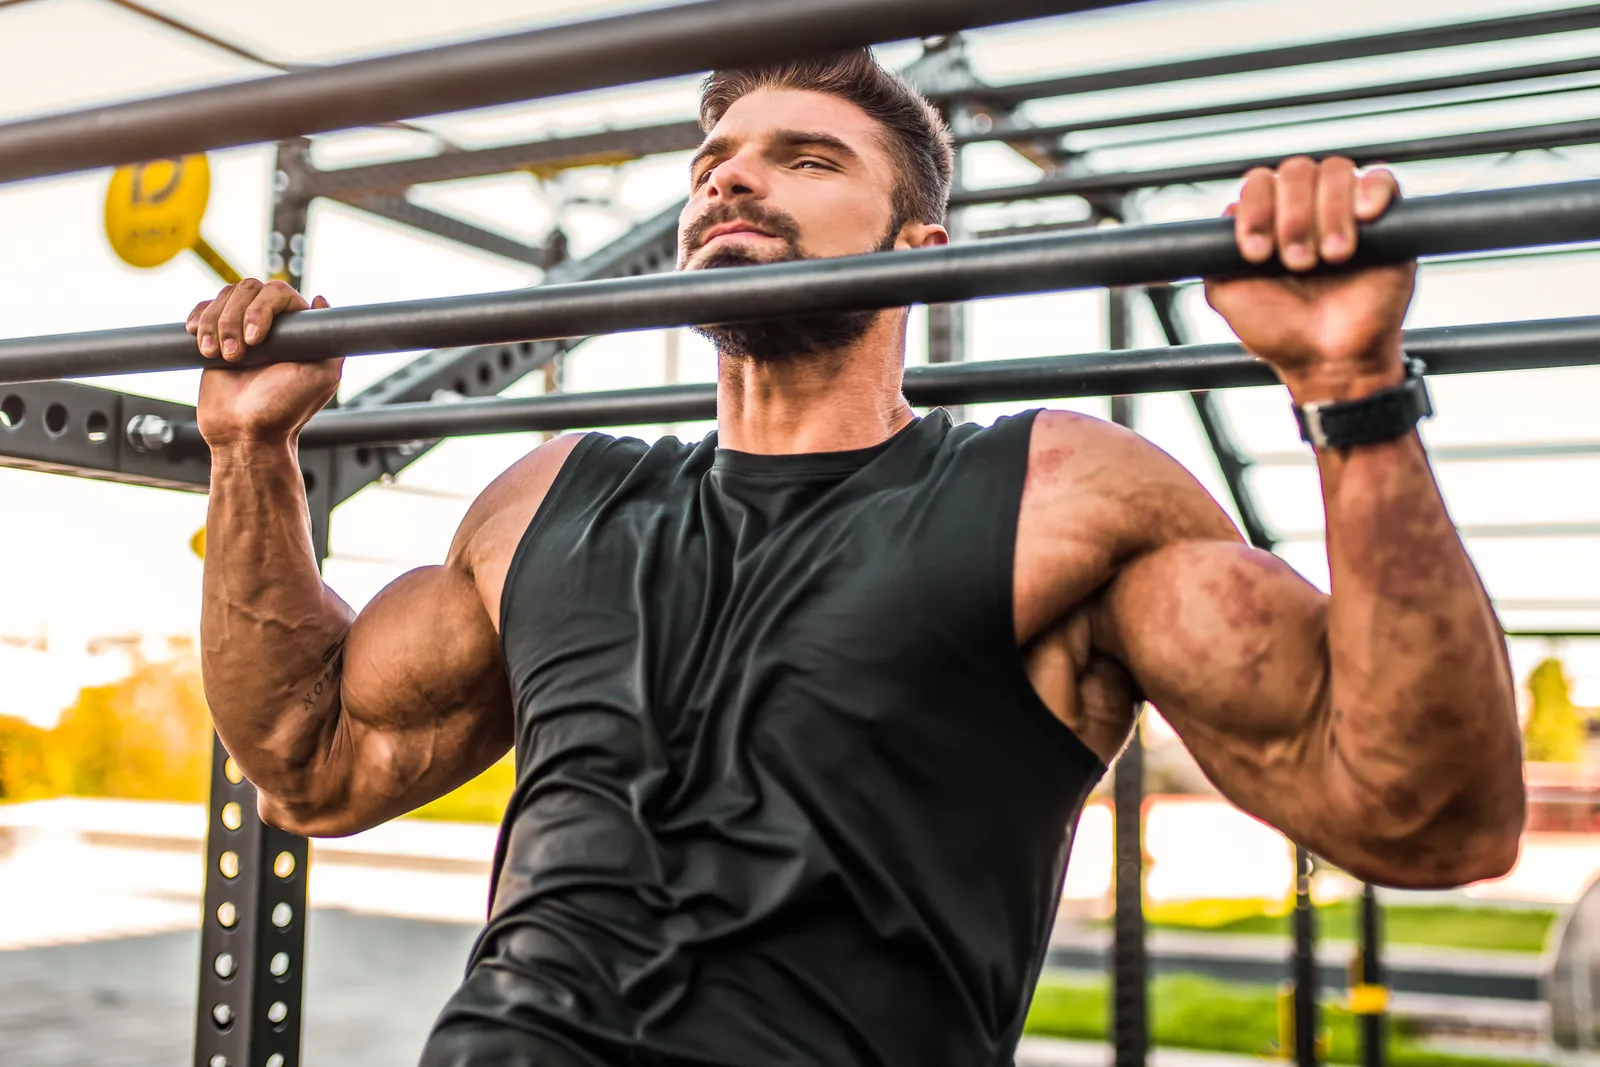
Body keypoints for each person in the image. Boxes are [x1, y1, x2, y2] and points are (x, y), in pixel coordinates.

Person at [188, 49, 1524, 1067]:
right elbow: (312, 757)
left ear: (917, 251)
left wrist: (1353, 386)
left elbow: (1431, 812)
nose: (730, 174)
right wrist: (253, 454)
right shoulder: (547, 499)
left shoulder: (1057, 494)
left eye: (805, 158)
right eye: (716, 156)